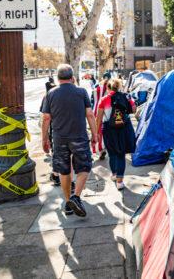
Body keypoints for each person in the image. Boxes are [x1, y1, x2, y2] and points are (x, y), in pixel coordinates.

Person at [42, 64, 98, 217]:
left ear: (58, 77)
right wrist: (95, 134)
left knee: (63, 170)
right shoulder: (81, 92)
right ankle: (76, 196)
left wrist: (44, 139)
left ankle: (68, 203)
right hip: (79, 137)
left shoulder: (50, 94)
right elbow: (90, 114)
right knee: (84, 167)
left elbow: (46, 118)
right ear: (72, 77)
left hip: (59, 139)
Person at [96, 78, 136, 190]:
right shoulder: (127, 96)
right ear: (119, 87)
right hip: (123, 128)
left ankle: (114, 174)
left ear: (108, 88)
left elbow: (98, 118)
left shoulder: (104, 99)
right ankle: (120, 181)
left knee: (112, 153)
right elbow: (133, 110)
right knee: (121, 154)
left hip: (109, 129)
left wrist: (96, 133)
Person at [91, 72, 111, 160]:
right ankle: (104, 147)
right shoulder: (110, 88)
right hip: (107, 110)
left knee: (97, 130)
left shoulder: (97, 88)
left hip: (96, 110)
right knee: (106, 130)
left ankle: (98, 149)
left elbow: (92, 101)